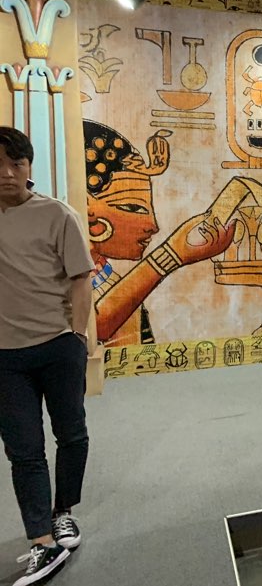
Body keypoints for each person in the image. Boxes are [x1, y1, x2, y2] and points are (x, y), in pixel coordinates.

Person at [0, 127, 95, 586]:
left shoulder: (58, 215)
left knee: (71, 433)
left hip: (58, 345)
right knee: (24, 451)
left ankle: (63, 512)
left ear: (29, 167)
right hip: (4, 357)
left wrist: (78, 336)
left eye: (15, 163)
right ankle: (42, 541)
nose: (6, 173)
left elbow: (81, 279)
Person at [83, 120, 234, 348]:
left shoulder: (108, 279)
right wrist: (172, 254)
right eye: (132, 207)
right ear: (88, 210)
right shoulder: (56, 269)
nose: (152, 225)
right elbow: (96, 326)